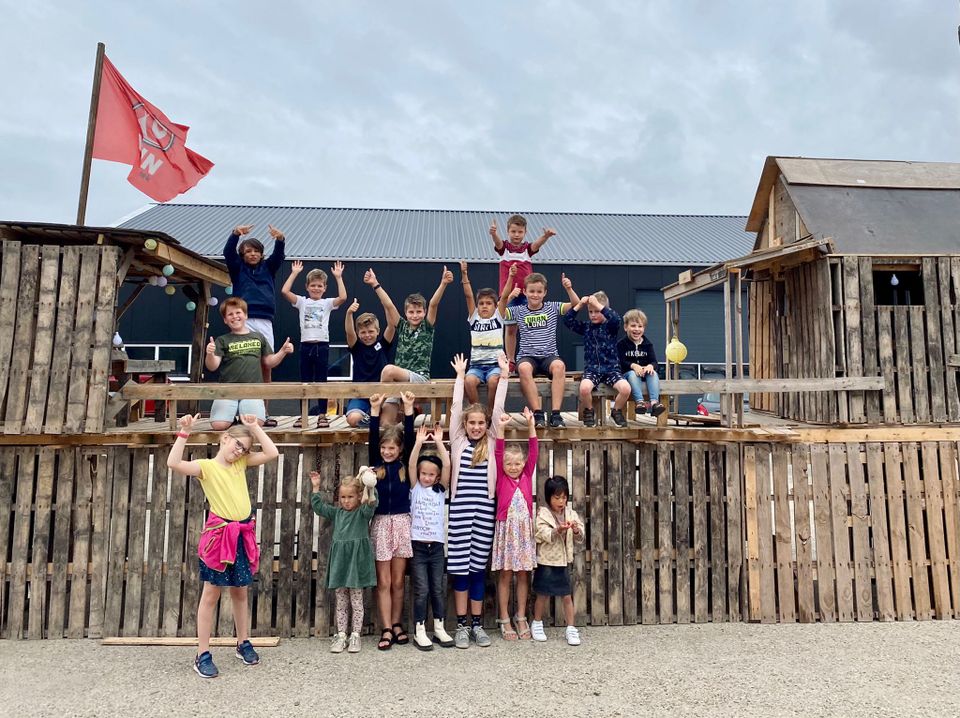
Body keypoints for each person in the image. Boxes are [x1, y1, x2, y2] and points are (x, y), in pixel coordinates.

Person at [166, 412, 278, 678]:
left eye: (245, 449)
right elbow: (173, 463)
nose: (240, 452)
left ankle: (243, 642)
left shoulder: (241, 464)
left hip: (241, 535)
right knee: (211, 594)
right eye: (238, 445)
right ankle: (202, 654)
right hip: (220, 537)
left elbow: (272, 453)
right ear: (225, 438)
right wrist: (184, 432)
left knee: (240, 592)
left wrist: (254, 428)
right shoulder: (206, 467)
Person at [447, 351, 510, 648]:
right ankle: (461, 624)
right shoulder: (458, 441)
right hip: (460, 511)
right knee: (460, 568)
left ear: (486, 425)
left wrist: (504, 375)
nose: (475, 427)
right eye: (471, 423)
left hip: (484, 511)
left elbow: (498, 409)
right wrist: (460, 377)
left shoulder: (491, 441)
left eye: (480, 423)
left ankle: (477, 624)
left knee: (476, 570)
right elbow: (455, 408)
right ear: (465, 425)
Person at [309, 467, 378, 654]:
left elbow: (372, 504)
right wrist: (316, 488)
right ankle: (341, 635)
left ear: (358, 496)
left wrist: (369, 485)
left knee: (356, 601)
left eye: (350, 497)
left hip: (355, 563)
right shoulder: (337, 513)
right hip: (340, 562)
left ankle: (355, 635)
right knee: (340, 601)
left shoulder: (362, 513)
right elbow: (319, 508)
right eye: (343, 497)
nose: (346, 501)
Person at [223, 223, 286, 426]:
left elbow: (278, 257)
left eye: (256, 251)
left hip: (265, 320)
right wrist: (235, 234)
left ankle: (264, 413)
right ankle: (238, 412)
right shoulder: (237, 269)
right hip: (244, 319)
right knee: (241, 363)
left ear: (261, 254)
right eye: (248, 251)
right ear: (242, 254)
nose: (252, 254)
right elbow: (228, 253)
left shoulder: (268, 268)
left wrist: (280, 240)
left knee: (266, 364)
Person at [368, 390, 416, 650]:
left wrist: (408, 409)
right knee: (384, 581)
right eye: (384, 447)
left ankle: (397, 624)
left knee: (398, 581)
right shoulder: (377, 466)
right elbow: (371, 438)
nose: (387, 451)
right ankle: (386, 627)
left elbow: (409, 435)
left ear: (399, 450)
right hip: (380, 524)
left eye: (392, 448)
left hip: (401, 523)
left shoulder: (404, 467)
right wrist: (375, 411)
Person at [204, 297, 294, 431]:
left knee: (255, 423)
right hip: (227, 390)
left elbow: (269, 362)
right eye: (230, 314)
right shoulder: (222, 340)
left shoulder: (258, 337)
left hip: (252, 390)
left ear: (245, 315)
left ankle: (241, 417)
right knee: (219, 425)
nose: (235, 316)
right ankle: (232, 419)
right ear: (225, 320)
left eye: (238, 312)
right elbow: (212, 366)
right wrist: (210, 353)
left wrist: (283, 351)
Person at [505, 272, 578, 428]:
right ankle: (538, 413)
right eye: (531, 291)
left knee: (559, 366)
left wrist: (569, 288)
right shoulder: (518, 310)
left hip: (549, 356)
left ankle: (556, 414)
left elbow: (575, 304)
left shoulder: (552, 307)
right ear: (525, 292)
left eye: (539, 291)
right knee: (524, 368)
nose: (535, 295)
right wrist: (509, 297)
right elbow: (498, 311)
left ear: (545, 292)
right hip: (527, 356)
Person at [280, 260, 347, 428]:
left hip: (322, 346)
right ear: (307, 287)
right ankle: (303, 414)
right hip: (306, 346)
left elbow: (343, 298)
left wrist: (338, 277)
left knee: (321, 381)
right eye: (313, 285)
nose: (316, 288)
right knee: (305, 381)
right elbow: (285, 291)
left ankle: (322, 414)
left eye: (320, 286)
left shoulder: (327, 303)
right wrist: (294, 273)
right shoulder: (302, 302)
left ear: (324, 288)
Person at [407, 424, 455, 650]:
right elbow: (411, 464)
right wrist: (418, 443)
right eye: (423, 473)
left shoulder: (440, 490)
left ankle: (439, 627)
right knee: (422, 590)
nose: (426, 477)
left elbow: (447, 464)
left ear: (437, 477)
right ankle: (419, 630)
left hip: (436, 548)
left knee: (437, 588)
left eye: (431, 474)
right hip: (418, 547)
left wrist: (438, 442)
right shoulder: (415, 488)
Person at [492, 406, 538, 641]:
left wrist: (531, 425)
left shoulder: (527, 475)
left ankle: (521, 616)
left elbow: (534, 449)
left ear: (523, 463)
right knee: (505, 574)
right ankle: (504, 617)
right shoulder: (501, 477)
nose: (513, 467)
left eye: (517, 463)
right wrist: (501, 428)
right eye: (509, 464)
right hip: (507, 532)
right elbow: (498, 450)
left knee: (522, 575)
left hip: (524, 532)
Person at [489, 215, 557, 374]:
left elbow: (536, 244)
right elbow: (498, 244)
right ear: (508, 231)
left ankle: (534, 357)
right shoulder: (505, 248)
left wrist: (546, 236)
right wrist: (494, 234)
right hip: (510, 295)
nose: (516, 235)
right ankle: (511, 360)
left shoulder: (527, 249)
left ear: (525, 232)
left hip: (527, 295)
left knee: (529, 326)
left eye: (520, 232)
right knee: (510, 328)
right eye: (513, 231)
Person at [563, 287, 631, 428]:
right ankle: (589, 410)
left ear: (604, 310)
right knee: (584, 388)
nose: (593, 315)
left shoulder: (610, 326)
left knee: (625, 389)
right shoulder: (586, 327)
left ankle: (616, 411)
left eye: (597, 311)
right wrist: (580, 305)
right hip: (592, 370)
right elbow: (567, 320)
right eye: (590, 312)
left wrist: (598, 305)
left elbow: (616, 319)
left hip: (611, 370)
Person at [531, 475, 584, 646]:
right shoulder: (543, 514)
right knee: (542, 595)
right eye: (557, 497)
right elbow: (540, 534)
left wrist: (575, 530)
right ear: (549, 498)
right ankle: (537, 623)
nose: (561, 501)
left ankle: (571, 628)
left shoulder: (571, 514)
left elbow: (581, 535)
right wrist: (557, 531)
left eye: (564, 497)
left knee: (567, 596)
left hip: (563, 562)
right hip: (546, 561)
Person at [379, 265, 454, 384]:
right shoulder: (402, 326)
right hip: (401, 378)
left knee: (388, 370)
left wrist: (443, 283)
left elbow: (433, 304)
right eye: (411, 312)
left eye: (418, 312)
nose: (415, 315)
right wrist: (375, 284)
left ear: (424, 312)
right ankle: (386, 396)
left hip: (420, 376)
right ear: (405, 313)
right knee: (387, 385)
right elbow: (389, 305)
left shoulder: (426, 327)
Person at [458, 261, 516, 413]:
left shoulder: (498, 316)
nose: (484, 306)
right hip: (476, 366)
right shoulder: (474, 318)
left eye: (489, 303)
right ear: (477, 306)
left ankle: (490, 411)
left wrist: (510, 276)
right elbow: (468, 295)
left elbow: (504, 297)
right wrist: (464, 274)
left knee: (493, 381)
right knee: (468, 381)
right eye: (481, 303)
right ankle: (477, 412)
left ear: (495, 306)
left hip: (495, 366)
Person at [343, 277, 399, 427]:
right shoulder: (357, 346)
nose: (367, 335)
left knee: (386, 422)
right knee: (353, 419)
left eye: (370, 331)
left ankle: (376, 416)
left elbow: (391, 326)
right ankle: (369, 417)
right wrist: (349, 314)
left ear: (377, 331)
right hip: (360, 395)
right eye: (363, 332)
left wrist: (386, 306)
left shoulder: (383, 344)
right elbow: (349, 332)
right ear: (359, 333)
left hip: (382, 395)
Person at [618, 309, 665, 417]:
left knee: (653, 373)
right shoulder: (621, 344)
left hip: (644, 375)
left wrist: (650, 366)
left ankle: (654, 403)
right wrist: (633, 366)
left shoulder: (647, 344)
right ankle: (640, 402)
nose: (637, 329)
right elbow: (620, 362)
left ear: (644, 328)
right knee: (633, 374)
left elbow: (654, 362)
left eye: (640, 326)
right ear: (625, 327)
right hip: (628, 376)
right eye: (633, 326)